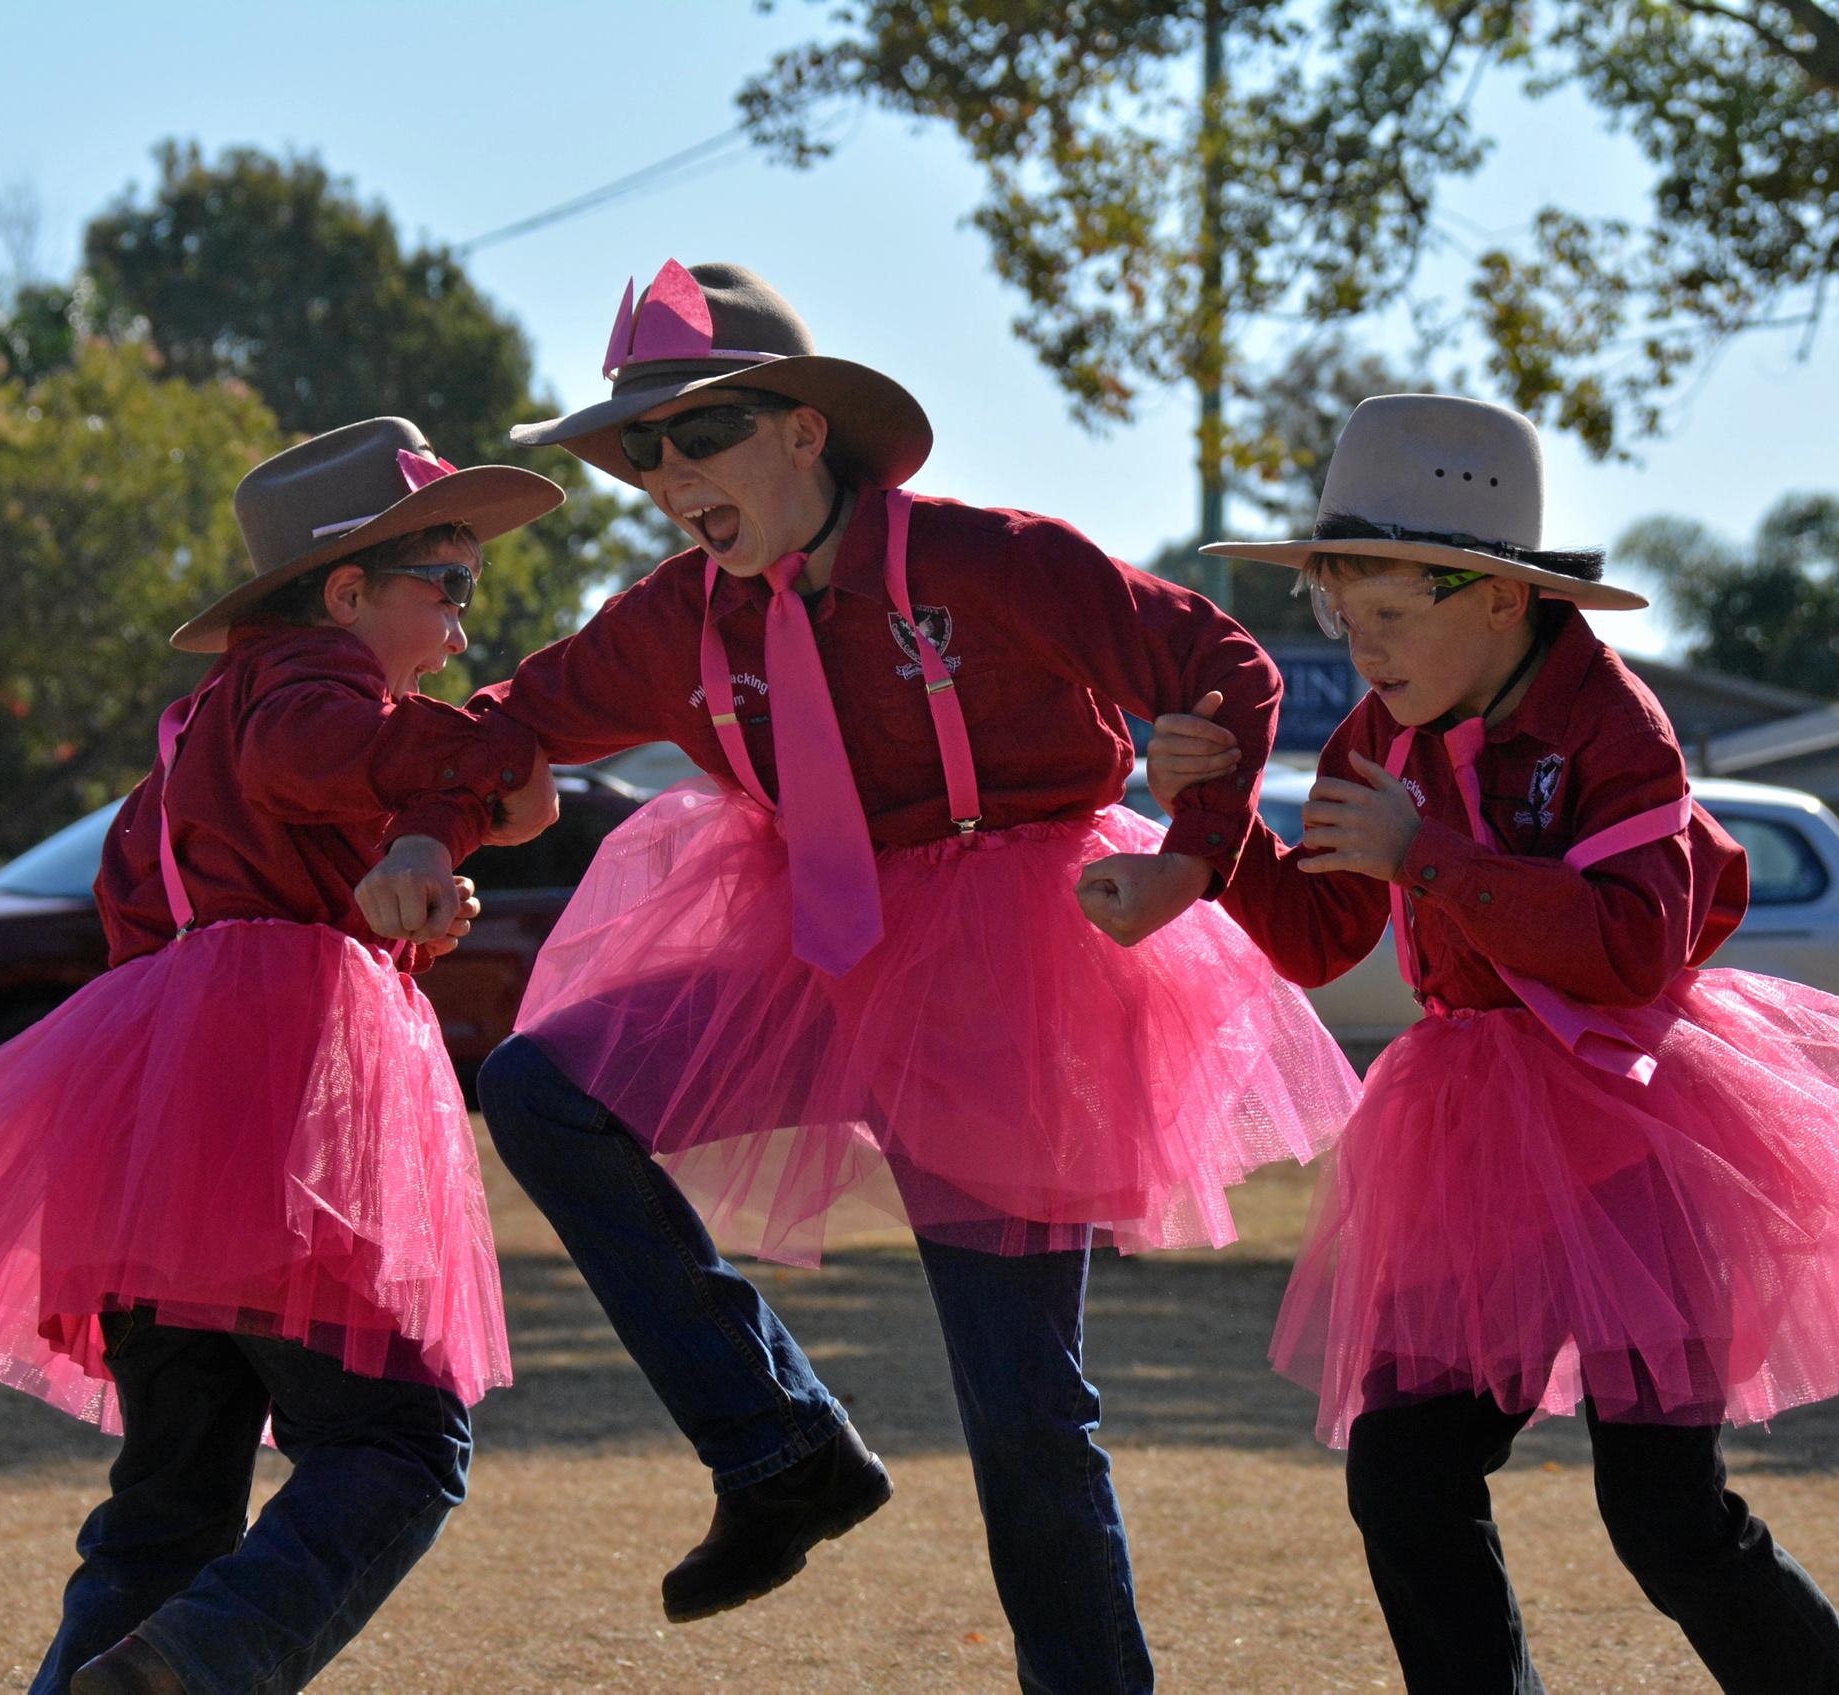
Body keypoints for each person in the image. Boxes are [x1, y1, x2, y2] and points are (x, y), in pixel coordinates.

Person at [472, 259, 1362, 1694]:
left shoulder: (989, 561)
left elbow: (1220, 659)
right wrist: (380, 794)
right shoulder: (673, 619)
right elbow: (503, 720)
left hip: (1010, 966)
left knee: (1019, 1403)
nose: (662, 472)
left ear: (804, 431)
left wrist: (1193, 856)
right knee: (539, 1087)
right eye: (639, 448)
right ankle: (779, 1444)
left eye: (697, 433)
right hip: (810, 954)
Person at [1141, 393, 1839, 1694]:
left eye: (1385, 613)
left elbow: (1635, 948)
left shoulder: (1611, 722)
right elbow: (1316, 934)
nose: (1356, 649)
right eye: (1335, 612)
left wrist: (1436, 857)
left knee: (1662, 1513)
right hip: (1470, 1133)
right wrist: (1220, 821)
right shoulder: (1380, 731)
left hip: (1637, 1125)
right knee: (1405, 1472)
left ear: (1492, 595)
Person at [0, 418, 562, 1695]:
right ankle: (201, 1665)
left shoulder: (195, 734)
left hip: (156, 1140)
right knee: (403, 1441)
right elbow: (391, 760)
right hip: (270, 1109)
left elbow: (171, 904)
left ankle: (133, 1666)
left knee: (168, 1510)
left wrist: (393, 891)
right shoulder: (317, 691)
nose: (466, 630)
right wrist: (482, 768)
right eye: (451, 586)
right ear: (348, 592)